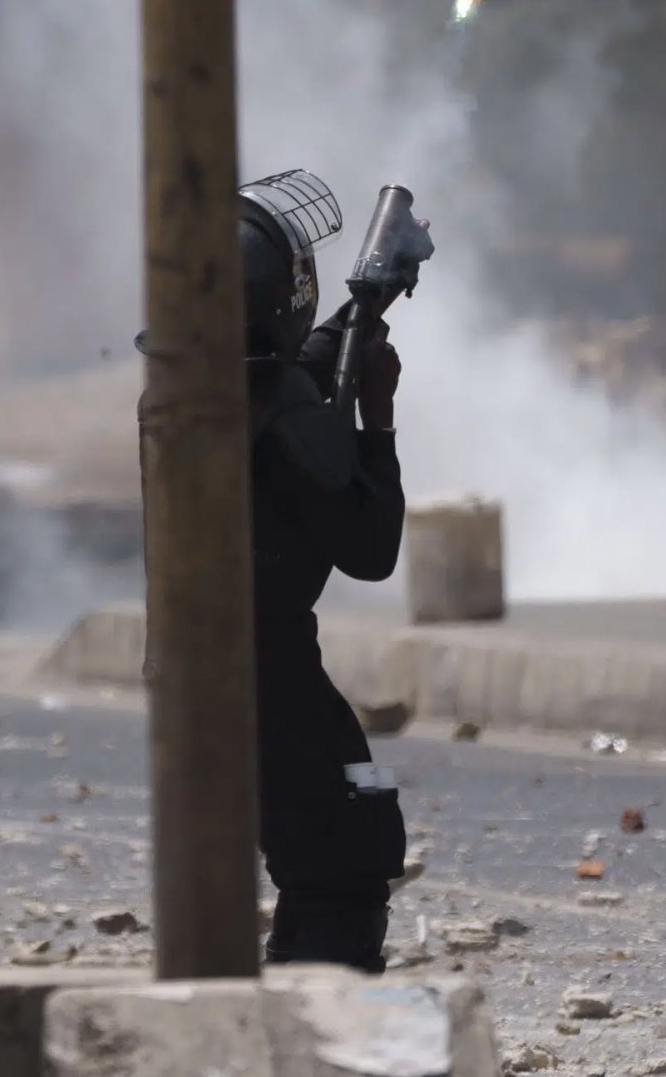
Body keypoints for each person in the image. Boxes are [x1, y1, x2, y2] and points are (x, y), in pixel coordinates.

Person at [237, 170, 408, 972]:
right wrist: (378, 416)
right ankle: (314, 1035)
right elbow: (370, 552)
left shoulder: (191, 392)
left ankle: (284, 1019)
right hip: (270, 668)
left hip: (206, 665)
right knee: (350, 855)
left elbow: (281, 374)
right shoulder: (293, 416)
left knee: (312, 860)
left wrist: (355, 316)